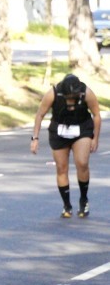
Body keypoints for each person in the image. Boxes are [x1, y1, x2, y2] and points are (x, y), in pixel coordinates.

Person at [30, 74, 102, 218]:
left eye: (73, 97)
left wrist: (95, 138)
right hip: (59, 131)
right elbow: (40, 115)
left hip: (82, 129)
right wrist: (35, 138)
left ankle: (83, 199)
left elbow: (96, 115)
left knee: (82, 163)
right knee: (61, 168)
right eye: (68, 97)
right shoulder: (53, 93)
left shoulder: (86, 92)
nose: (70, 101)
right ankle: (67, 205)